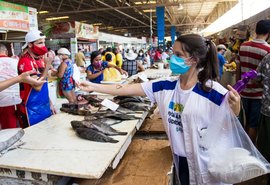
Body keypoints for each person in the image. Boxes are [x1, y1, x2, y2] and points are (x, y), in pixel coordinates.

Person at [78, 34, 241, 185]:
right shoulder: (164, 86)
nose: (172, 58)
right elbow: (124, 89)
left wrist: (236, 109)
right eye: (173, 53)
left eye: (178, 55)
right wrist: (92, 86)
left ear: (193, 59)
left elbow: (228, 126)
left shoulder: (213, 92)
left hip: (206, 161)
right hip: (180, 159)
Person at [236, 19, 270, 142]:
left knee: (245, 121)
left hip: (244, 92)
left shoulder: (243, 46)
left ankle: (243, 145)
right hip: (258, 95)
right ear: (268, 33)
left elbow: (238, 68)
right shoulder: (268, 50)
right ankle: (249, 150)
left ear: (256, 30)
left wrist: (238, 88)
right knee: (253, 124)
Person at [17, 29, 55, 128]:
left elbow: (44, 84)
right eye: (40, 43)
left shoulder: (40, 59)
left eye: (44, 42)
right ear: (30, 44)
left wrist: (50, 103)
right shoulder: (25, 61)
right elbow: (37, 87)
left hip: (44, 105)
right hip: (30, 109)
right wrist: (47, 65)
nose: (43, 46)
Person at [256, 53, 270, 185]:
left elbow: (257, 77)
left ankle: (265, 176)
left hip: (268, 110)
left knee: (266, 146)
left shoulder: (268, 57)